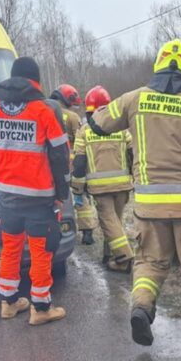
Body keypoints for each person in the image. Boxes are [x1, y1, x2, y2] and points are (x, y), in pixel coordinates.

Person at [89, 39, 181, 346]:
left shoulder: (134, 100)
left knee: (149, 264)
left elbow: (97, 124)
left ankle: (142, 307)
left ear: (158, 66)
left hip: (148, 209)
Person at [0, 57, 69, 325]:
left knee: (11, 246)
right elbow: (60, 155)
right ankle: (40, 308)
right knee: (41, 250)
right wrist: (61, 192)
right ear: (36, 80)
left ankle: (8, 302)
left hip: (6, 193)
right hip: (39, 194)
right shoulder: (44, 110)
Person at [72, 86, 134, 272]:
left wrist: (77, 188)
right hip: (123, 186)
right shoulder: (123, 130)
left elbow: (79, 163)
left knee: (109, 222)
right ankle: (109, 256)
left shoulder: (85, 131)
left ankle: (124, 258)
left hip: (101, 189)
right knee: (116, 222)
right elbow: (133, 155)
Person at [49, 84, 98, 245]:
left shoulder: (45, 112)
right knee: (79, 195)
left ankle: (55, 228)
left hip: (50, 164)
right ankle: (87, 233)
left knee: (54, 197)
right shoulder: (72, 117)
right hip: (71, 162)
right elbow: (80, 140)